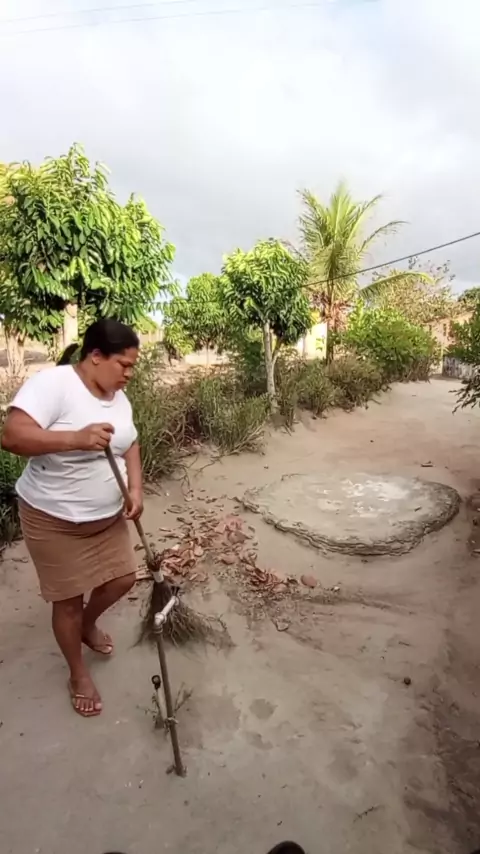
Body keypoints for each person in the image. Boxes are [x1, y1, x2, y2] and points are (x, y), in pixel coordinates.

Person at [1, 318, 143, 719]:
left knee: (123, 578)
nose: (129, 374)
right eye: (124, 364)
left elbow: (131, 443)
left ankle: (87, 624)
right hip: (53, 519)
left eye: (133, 366)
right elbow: (12, 436)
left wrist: (135, 489)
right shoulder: (54, 385)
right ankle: (78, 674)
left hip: (106, 517)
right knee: (67, 603)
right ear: (96, 356)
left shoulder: (119, 397)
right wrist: (75, 438)